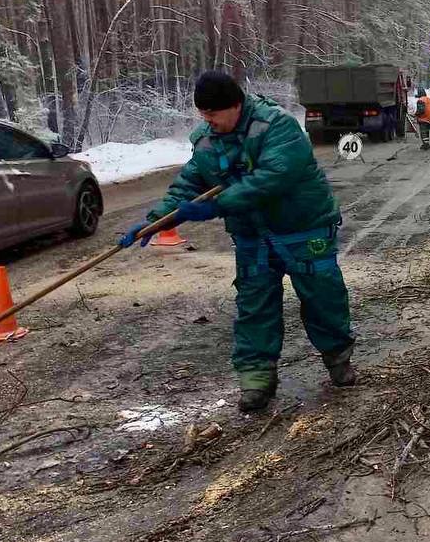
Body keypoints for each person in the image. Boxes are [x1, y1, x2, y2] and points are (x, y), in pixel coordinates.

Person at [119, 71, 355, 412]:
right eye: (203, 116)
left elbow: (272, 179)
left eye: (213, 114)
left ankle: (338, 360)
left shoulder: (278, 127)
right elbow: (189, 184)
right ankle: (257, 379)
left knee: (323, 296)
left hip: (303, 228)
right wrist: (157, 221)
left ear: (235, 105)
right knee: (254, 305)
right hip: (252, 236)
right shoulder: (206, 140)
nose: (208, 122)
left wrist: (217, 206)